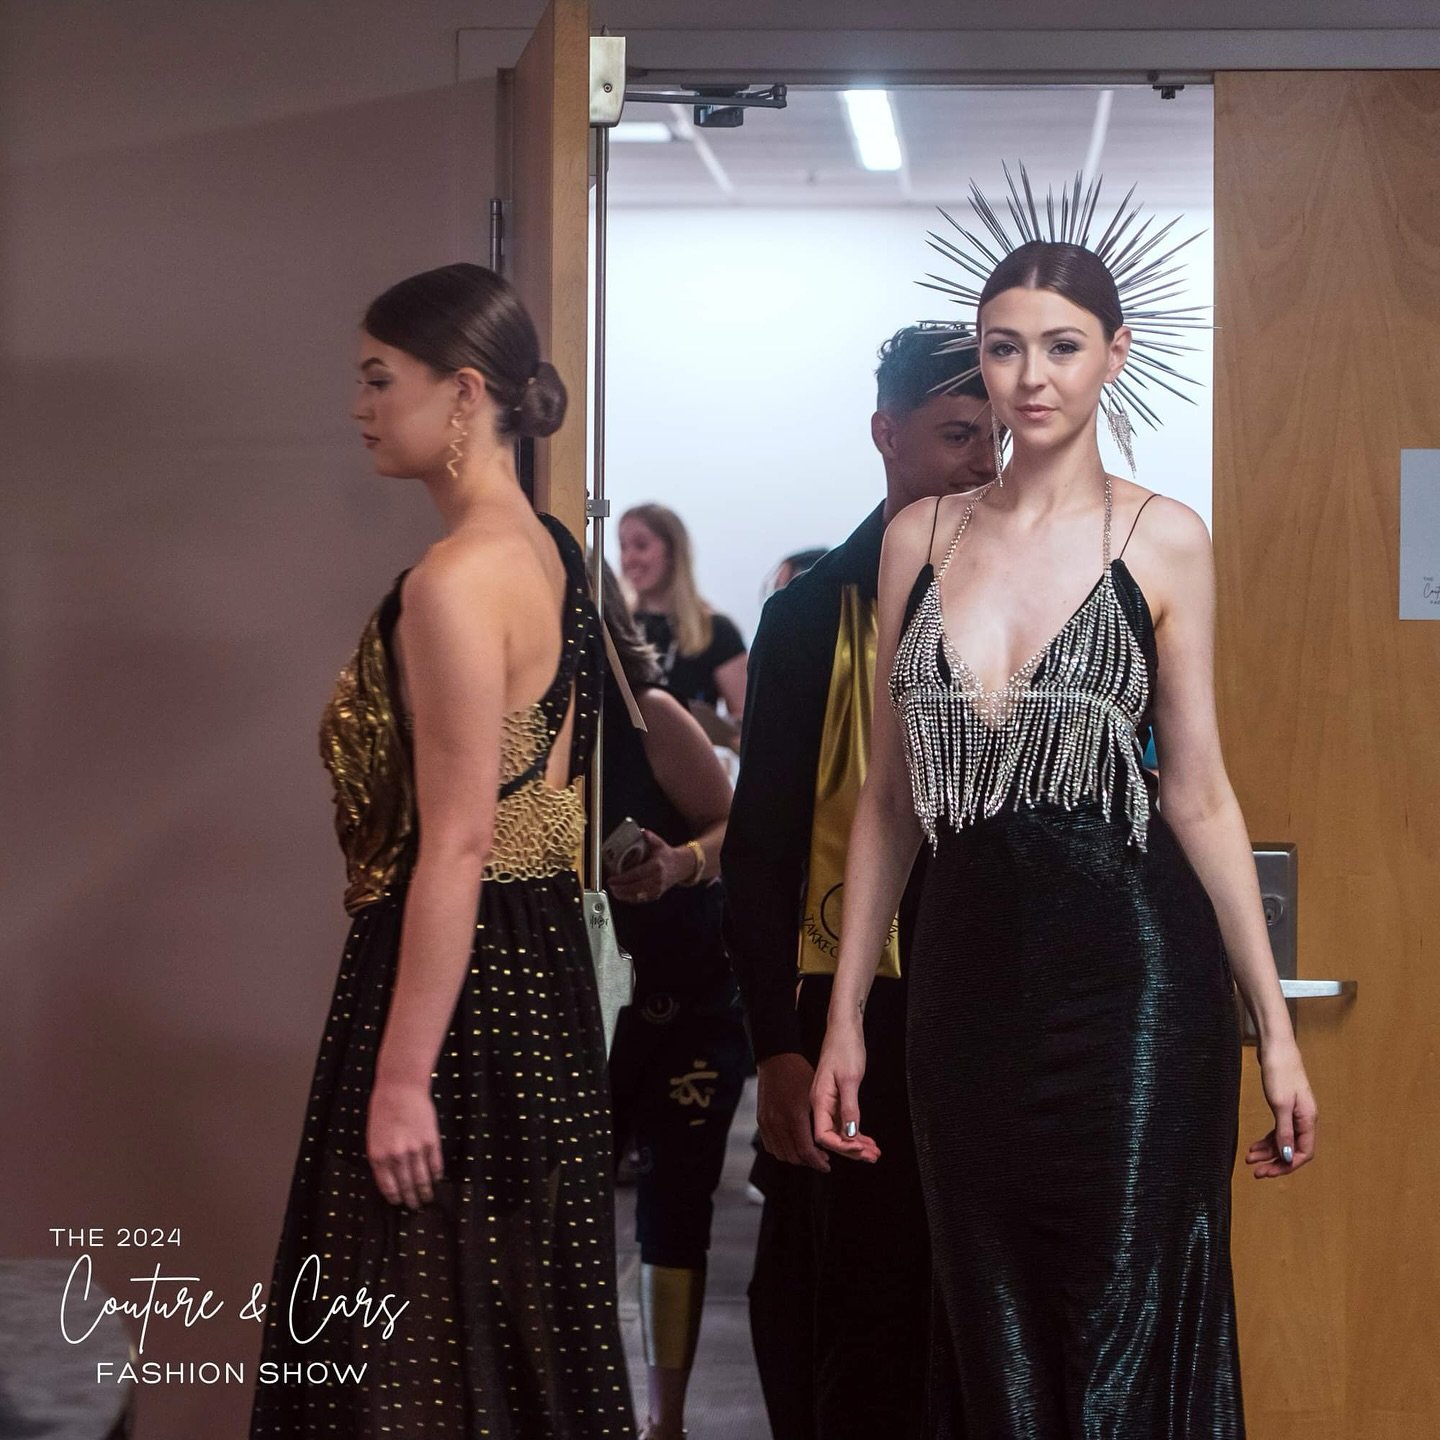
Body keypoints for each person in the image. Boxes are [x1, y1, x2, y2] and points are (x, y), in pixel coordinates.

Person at [812, 203, 1318, 1436]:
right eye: (1001, 347)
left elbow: (1197, 792)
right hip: (962, 990)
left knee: (1121, 1317)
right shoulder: (917, 538)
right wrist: (843, 1017)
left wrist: (1277, 1032)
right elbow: (889, 798)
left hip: (1135, 985)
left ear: (1116, 354)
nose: (1027, 377)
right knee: (990, 1317)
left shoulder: (1165, 540)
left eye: (1060, 345)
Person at [250, 263, 634, 1439]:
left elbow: (460, 841)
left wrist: (403, 1075)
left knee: (401, 1347)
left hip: (459, 986)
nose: (361, 407)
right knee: (517, 1330)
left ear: (465, 393)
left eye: (380, 380)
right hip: (540, 972)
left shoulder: (455, 581)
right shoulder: (554, 551)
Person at [723, 323, 996, 1440]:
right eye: (954, 435)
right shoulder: (807, 619)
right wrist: (777, 1051)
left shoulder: (1039, 605)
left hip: (993, 1009)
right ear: (886, 435)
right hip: (853, 1008)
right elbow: (762, 852)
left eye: (994, 437)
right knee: (847, 1309)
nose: (982, 461)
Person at [596, 563, 749, 1440]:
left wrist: (676, 863)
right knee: (571, 1210)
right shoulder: (524, 729)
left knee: (677, 1207)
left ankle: (667, 1423)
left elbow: (735, 827)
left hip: (686, 997)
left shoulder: (651, 714)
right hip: (586, 1007)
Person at [619, 503, 748, 746]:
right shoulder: (616, 626)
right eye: (623, 547)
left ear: (673, 552)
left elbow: (748, 732)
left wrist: (722, 735)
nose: (629, 559)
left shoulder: (718, 631)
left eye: (641, 546)